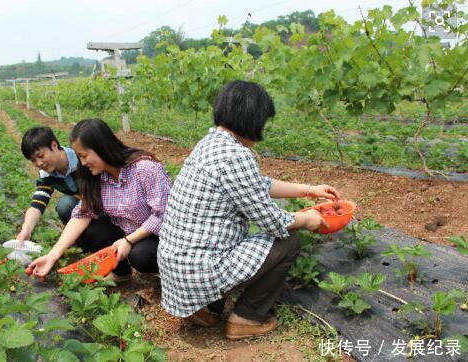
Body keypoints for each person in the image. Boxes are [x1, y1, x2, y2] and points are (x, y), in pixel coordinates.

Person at [157, 80, 341, 340]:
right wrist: (308, 218)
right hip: (201, 269)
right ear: (251, 119)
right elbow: (273, 220)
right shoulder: (235, 156)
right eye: (263, 122)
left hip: (176, 267)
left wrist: (308, 189)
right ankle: (246, 318)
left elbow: (257, 185)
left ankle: (202, 308)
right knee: (288, 241)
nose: (263, 128)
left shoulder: (211, 144)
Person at [28, 119, 172, 281]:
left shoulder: (145, 169)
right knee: (87, 231)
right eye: (78, 157)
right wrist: (52, 256)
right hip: (128, 231)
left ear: (101, 147)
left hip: (159, 235)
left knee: (141, 255)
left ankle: (173, 274)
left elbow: (163, 216)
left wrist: (129, 241)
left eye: (84, 156)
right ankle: (120, 272)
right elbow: (81, 214)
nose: (82, 163)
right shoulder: (97, 177)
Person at [17, 126, 80, 242]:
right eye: (33, 160)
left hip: (103, 203)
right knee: (65, 206)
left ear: (54, 145)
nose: (39, 163)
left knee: (66, 204)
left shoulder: (81, 159)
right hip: (86, 207)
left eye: (41, 156)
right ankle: (81, 237)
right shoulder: (46, 174)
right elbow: (37, 203)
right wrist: (26, 229)